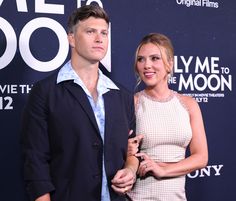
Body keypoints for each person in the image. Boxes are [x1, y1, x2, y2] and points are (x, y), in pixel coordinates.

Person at [21, 4, 139, 201]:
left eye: (104, 33)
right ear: (72, 38)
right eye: (90, 31)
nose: (99, 38)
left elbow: (131, 150)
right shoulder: (46, 92)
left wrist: (130, 170)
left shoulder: (123, 96)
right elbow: (35, 160)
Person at [126, 33, 208, 201]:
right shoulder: (131, 104)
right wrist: (126, 151)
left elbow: (201, 157)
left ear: (170, 64)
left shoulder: (189, 104)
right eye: (141, 59)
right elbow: (120, 155)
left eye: (155, 58)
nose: (147, 65)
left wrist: (163, 169)